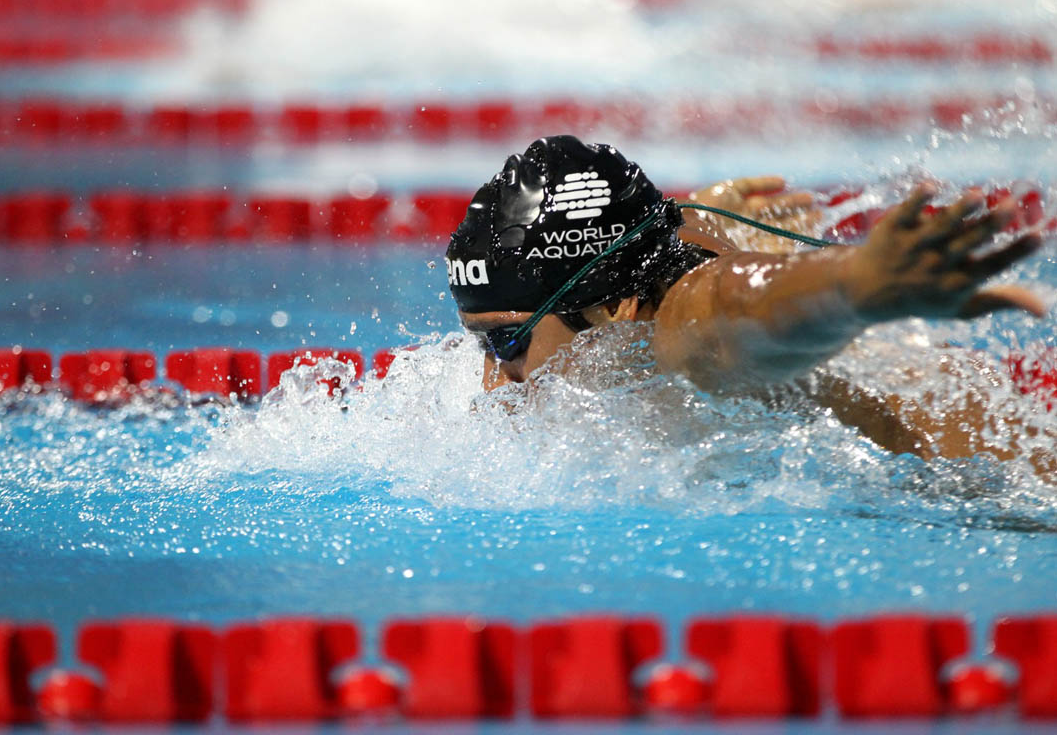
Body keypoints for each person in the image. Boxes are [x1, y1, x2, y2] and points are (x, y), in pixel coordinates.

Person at [445, 135, 1051, 472]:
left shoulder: (687, 333)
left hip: (1009, 495)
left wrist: (858, 281)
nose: (496, 383)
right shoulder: (651, 263)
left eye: (509, 342)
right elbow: (677, 234)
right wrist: (709, 213)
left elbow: (737, 303)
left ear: (616, 309)